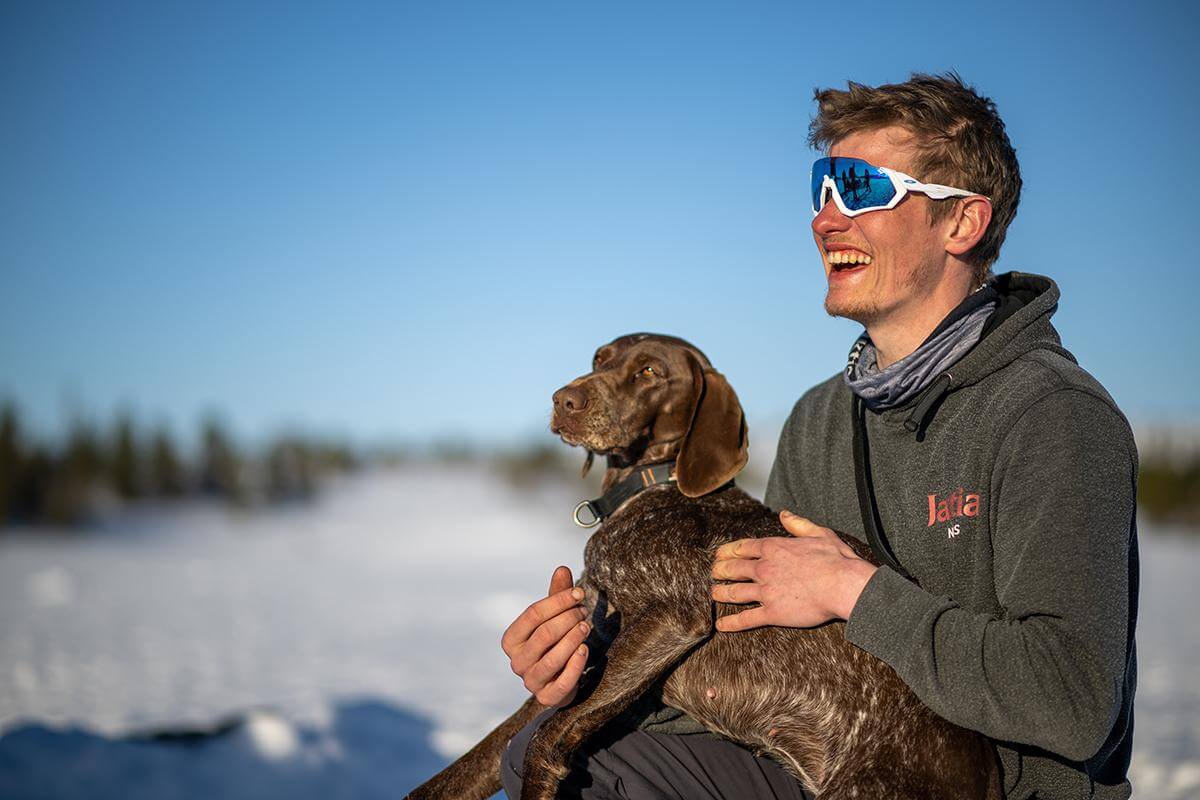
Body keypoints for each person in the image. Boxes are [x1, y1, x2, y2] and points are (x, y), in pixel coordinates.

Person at [500, 73, 1138, 800]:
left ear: (962, 222)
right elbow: (757, 678)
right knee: (560, 759)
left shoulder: (1052, 415)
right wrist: (584, 665)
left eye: (862, 189)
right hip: (822, 768)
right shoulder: (819, 420)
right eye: (822, 189)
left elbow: (1074, 701)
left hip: (999, 791)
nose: (827, 220)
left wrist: (855, 591)